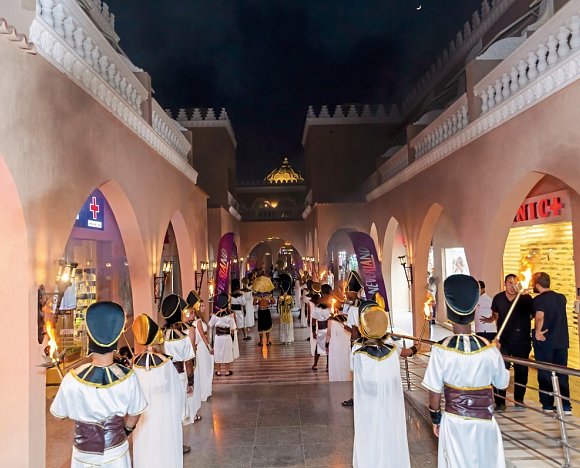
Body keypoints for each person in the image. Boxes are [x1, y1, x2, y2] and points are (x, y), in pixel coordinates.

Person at [423, 274, 510, 468]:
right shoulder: (489, 348)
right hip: (485, 421)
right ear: (473, 310)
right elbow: (502, 383)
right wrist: (497, 353)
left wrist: (436, 418)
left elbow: (434, 391)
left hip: (455, 422)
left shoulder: (441, 349)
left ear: (449, 311)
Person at [50, 301, 147, 467]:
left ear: (89, 338)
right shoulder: (128, 377)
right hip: (116, 452)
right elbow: (135, 413)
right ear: (116, 338)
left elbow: (57, 415)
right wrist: (125, 431)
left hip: (84, 456)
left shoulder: (72, 379)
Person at [352, 299, 418, 468]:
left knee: (372, 435)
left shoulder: (358, 352)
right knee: (390, 433)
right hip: (390, 403)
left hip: (368, 404)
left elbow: (356, 374)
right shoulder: (392, 350)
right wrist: (415, 349)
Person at [132, 314, 183, 468]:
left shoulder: (135, 362)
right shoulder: (165, 362)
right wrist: (180, 412)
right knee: (163, 445)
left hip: (143, 414)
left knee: (146, 444)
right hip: (163, 412)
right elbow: (176, 389)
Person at [482, 273, 533, 410]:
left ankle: (519, 399)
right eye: (510, 283)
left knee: (521, 370)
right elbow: (497, 316)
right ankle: (500, 402)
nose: (512, 286)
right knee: (501, 370)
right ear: (505, 284)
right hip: (504, 340)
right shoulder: (498, 298)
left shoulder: (525, 299)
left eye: (515, 283)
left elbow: (531, 315)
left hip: (522, 341)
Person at [532, 272, 572, 414]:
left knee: (545, 373)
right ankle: (565, 405)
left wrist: (538, 332)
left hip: (545, 342)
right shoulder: (561, 298)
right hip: (561, 341)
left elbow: (539, 316)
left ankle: (548, 405)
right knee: (562, 373)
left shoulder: (539, 299)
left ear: (537, 285)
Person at [161, 294, 197, 447]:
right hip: (179, 376)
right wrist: (191, 382)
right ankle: (177, 445)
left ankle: (168, 443)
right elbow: (188, 363)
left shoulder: (160, 336)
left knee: (168, 409)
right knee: (179, 409)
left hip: (164, 377)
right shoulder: (183, 338)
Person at [342, 271, 364, 407]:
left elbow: (354, 331)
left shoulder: (353, 309)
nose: (345, 294)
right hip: (370, 342)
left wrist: (347, 328)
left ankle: (356, 398)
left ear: (352, 292)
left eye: (347, 291)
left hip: (358, 344)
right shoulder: (366, 304)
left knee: (357, 372)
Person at [208, 293, 236, 376]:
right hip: (227, 337)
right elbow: (233, 328)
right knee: (228, 353)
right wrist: (233, 338)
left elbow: (210, 324)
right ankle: (227, 371)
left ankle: (219, 371)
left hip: (218, 337)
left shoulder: (215, 316)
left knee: (218, 353)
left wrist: (211, 316)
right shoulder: (230, 316)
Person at [327, 298, 351, 381]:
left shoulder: (332, 320)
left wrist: (327, 343)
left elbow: (329, 333)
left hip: (335, 343)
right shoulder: (349, 319)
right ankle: (346, 377)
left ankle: (336, 377)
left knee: (336, 360)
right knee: (345, 360)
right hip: (346, 344)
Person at [311, 284, 333, 371]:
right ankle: (328, 366)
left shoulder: (317, 307)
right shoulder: (331, 307)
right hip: (329, 330)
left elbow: (313, 320)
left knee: (318, 347)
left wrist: (313, 331)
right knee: (329, 347)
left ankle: (315, 364)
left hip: (321, 330)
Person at [252, 275, 275, 346]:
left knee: (261, 326)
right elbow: (273, 302)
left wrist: (259, 303)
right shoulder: (269, 294)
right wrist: (268, 303)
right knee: (268, 326)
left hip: (260, 311)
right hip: (267, 310)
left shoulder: (257, 295)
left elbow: (254, 303)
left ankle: (261, 341)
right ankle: (267, 341)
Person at [278, 273, 295, 344]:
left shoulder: (280, 297)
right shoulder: (290, 297)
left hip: (282, 314)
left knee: (283, 326)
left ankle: (284, 339)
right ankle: (288, 340)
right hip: (288, 313)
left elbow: (279, 307)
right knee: (288, 326)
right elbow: (292, 306)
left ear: (282, 288)